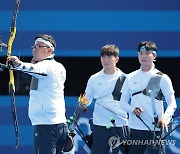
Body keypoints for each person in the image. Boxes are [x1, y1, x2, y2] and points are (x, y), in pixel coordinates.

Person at [8, 34, 69, 154]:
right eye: (34, 46)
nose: (34, 49)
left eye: (38, 46)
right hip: (60, 124)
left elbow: (35, 69)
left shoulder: (45, 66)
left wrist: (18, 64)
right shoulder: (59, 66)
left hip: (46, 126)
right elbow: (39, 74)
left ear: (49, 50)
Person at [120, 41, 177, 154]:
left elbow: (172, 103)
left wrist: (164, 118)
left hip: (155, 130)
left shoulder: (162, 78)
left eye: (147, 53)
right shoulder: (130, 77)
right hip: (135, 130)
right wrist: (132, 110)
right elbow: (123, 103)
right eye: (141, 53)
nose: (143, 56)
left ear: (154, 56)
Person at [83, 44, 128, 154]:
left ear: (116, 59)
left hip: (120, 124)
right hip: (99, 125)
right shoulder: (94, 78)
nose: (105, 60)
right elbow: (86, 99)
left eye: (109, 57)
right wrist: (82, 104)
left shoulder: (126, 78)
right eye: (103, 57)